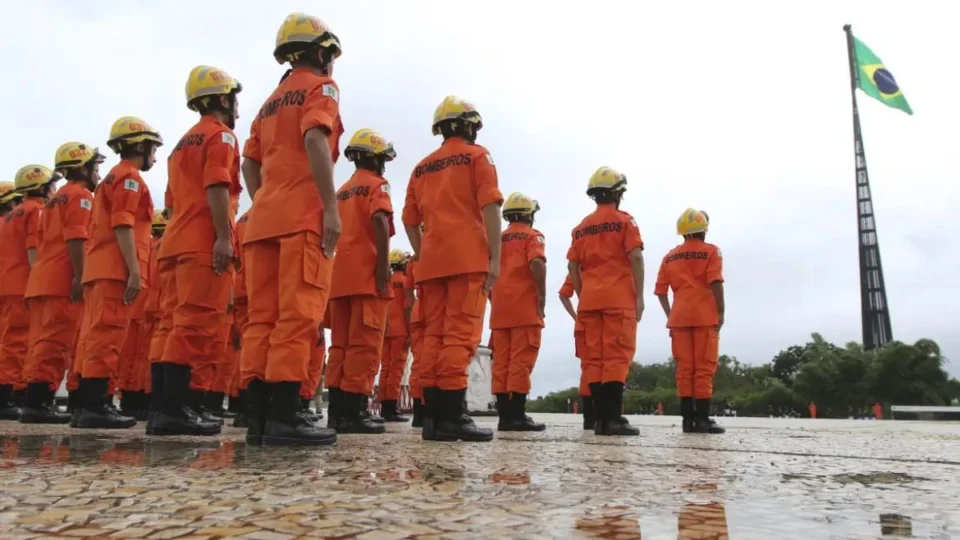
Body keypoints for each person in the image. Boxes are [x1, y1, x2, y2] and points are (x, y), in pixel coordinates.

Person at [239, 12, 343, 446]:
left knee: (261, 319)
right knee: (297, 316)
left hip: (263, 221)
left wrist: (266, 199)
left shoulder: (269, 102)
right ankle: (285, 415)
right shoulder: (321, 88)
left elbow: (249, 162)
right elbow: (316, 140)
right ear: (319, 51)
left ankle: (259, 418)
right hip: (301, 218)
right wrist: (330, 209)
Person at [149, 65, 243, 437]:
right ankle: (176, 411)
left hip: (175, 243)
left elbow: (171, 203)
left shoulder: (179, 145)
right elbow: (218, 187)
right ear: (222, 99)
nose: (236, 107)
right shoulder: (221, 138)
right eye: (233, 99)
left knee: (170, 325)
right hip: (202, 243)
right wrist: (223, 236)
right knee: (195, 326)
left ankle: (165, 408)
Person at [402, 95, 503, 442]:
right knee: (460, 336)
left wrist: (424, 251)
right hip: (468, 259)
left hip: (431, 264)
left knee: (432, 338)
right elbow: (490, 205)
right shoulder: (478, 156)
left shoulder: (421, 167)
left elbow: (409, 220)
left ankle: (431, 416)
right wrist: (494, 258)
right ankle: (452, 415)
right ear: (470, 125)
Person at [75, 116, 161, 430]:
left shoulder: (112, 177)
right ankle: (96, 407)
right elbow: (123, 225)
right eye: (152, 148)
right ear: (139, 145)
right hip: (115, 268)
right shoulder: (130, 179)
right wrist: (135, 272)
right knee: (107, 337)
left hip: (101, 266)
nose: (154, 155)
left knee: (95, 336)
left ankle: (87, 405)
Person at [20, 144, 103, 424]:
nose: (98, 174)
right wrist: (80, 276)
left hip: (44, 278)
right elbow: (76, 238)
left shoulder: (55, 200)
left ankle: (35, 400)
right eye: (95, 167)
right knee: (56, 345)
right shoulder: (80, 196)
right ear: (82, 168)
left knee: (42, 343)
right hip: (61, 280)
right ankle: (38, 404)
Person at [326, 128, 396, 434]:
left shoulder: (341, 191)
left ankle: (338, 412)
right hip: (367, 277)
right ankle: (354, 412)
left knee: (339, 346)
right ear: (376, 158)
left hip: (338, 278)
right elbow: (380, 220)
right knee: (364, 345)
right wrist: (383, 265)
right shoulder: (377, 185)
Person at [567, 167, 644, 437]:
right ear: (618, 194)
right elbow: (635, 257)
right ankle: (612, 419)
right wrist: (639, 296)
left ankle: (599, 419)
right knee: (615, 356)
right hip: (617, 298)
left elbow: (572, 265)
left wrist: (581, 293)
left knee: (595, 360)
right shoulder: (625, 222)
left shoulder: (580, 229)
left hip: (589, 300)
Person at [654, 208, 725, 434]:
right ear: (704, 230)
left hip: (679, 318)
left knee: (684, 369)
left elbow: (660, 291)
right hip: (705, 316)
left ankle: (687, 420)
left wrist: (670, 314)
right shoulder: (712, 252)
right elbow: (715, 282)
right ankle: (702, 419)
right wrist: (720, 311)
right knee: (703, 368)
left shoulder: (669, 256)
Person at [0, 165, 60, 420]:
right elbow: (34, 251)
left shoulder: (14, 213)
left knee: (9, 341)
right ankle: (5, 400)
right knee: (17, 342)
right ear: (43, 187)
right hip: (22, 285)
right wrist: (39, 282)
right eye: (52, 185)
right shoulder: (35, 211)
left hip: (8, 283)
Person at [489, 192, 546, 431]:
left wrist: (494, 297)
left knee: (501, 362)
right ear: (528, 215)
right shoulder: (533, 236)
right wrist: (541, 295)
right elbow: (537, 262)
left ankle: (504, 415)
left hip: (500, 310)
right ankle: (516, 415)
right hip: (524, 308)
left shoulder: (496, 239)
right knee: (521, 361)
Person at [379, 249, 412, 423]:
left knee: (385, 368)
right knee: (396, 369)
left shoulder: (386, 280)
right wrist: (411, 331)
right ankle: (391, 408)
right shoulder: (405, 282)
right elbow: (407, 307)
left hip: (385, 330)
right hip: (400, 331)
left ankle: (384, 406)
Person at [559, 274, 592, 429]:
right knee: (609, 366)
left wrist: (576, 317)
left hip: (583, 324)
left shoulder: (578, 267)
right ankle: (607, 415)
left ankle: (589, 419)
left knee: (587, 368)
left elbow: (563, 294)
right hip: (607, 322)